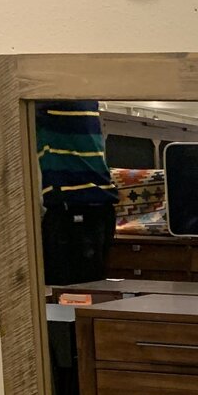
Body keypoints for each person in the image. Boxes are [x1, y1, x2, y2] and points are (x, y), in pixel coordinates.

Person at [35, 100, 118, 286]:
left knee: (67, 291)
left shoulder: (52, 101)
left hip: (76, 205)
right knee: (86, 288)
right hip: (92, 205)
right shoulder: (82, 99)